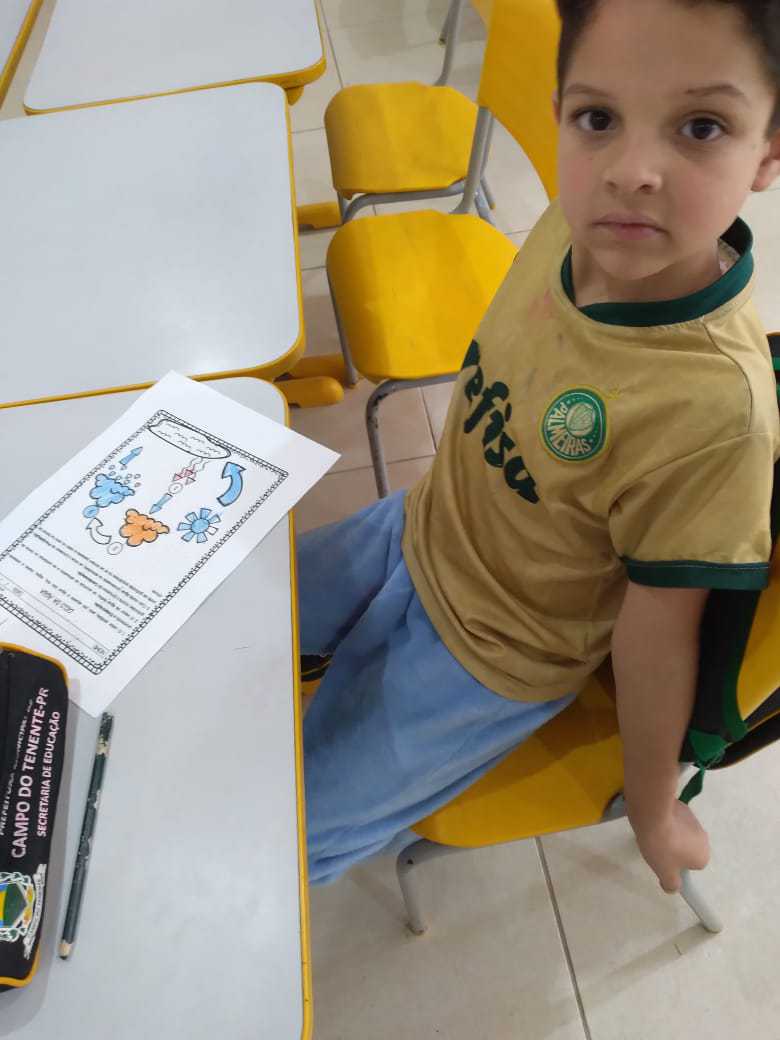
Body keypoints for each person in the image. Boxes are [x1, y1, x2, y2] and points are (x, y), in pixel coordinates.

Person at [298, 0, 780, 891]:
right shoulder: (571, 221)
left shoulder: (716, 410)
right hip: (416, 529)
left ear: (768, 151)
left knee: (281, 839)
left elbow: (658, 637)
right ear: (561, 113)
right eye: (598, 118)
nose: (630, 172)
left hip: (489, 657)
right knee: (216, 626)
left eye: (701, 127)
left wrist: (652, 806)